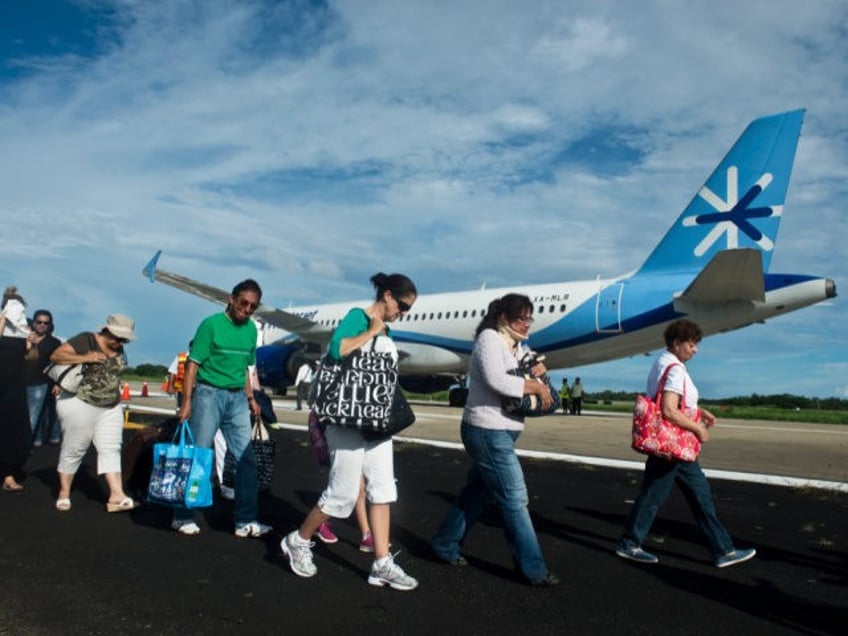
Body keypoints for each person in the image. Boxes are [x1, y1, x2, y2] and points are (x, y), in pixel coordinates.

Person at [281, 272, 419, 591]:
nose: (404, 312)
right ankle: (298, 540)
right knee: (342, 493)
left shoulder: (388, 331)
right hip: (346, 419)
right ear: (386, 295)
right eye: (402, 305)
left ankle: (382, 563)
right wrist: (371, 331)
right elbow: (335, 351)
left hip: (376, 420)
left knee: (383, 489)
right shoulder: (358, 318)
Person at [430, 293, 559, 587]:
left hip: (502, 430)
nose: (526, 324)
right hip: (487, 431)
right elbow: (496, 380)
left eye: (529, 318)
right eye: (520, 318)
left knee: (477, 493)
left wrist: (539, 369)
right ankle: (534, 570)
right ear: (503, 317)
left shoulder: (516, 345)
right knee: (515, 498)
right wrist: (534, 388)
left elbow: (524, 368)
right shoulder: (489, 338)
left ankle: (444, 544)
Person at [615, 319, 756, 568]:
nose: (695, 349)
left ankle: (723, 549)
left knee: (695, 496)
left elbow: (671, 403)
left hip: (674, 446)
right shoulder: (676, 369)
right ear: (677, 343)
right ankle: (629, 544)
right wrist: (698, 429)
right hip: (674, 446)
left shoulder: (663, 362)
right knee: (658, 496)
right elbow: (669, 410)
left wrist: (699, 411)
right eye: (691, 344)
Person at [172, 279, 270, 538]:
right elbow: (192, 365)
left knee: (246, 458)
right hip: (208, 394)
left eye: (253, 306)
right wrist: (186, 403)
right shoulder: (211, 325)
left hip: (237, 397)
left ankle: (245, 520)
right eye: (243, 303)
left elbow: (246, 368)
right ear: (231, 298)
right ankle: (183, 516)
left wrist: (251, 399)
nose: (247, 309)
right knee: (200, 455)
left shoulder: (251, 330)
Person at [52, 314, 139, 512]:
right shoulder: (86, 339)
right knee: (75, 447)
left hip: (110, 404)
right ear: (107, 330)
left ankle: (116, 494)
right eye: (117, 338)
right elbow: (56, 355)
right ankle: (64, 492)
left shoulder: (119, 348)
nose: (120, 342)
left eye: (124, 340)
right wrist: (86, 357)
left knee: (111, 447)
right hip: (80, 401)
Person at [0, 286, 32, 492]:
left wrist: (28, 339)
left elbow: (30, 355)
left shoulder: (23, 330)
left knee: (14, 430)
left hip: (16, 385)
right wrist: (2, 319)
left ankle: (8, 474)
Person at [25, 310, 61, 447]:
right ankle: (37, 439)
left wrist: (58, 383)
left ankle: (27, 445)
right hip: (21, 381)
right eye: (39, 322)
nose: (42, 325)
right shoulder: (24, 338)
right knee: (32, 415)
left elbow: (59, 364)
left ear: (50, 325)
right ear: (33, 322)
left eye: (46, 323)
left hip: (42, 383)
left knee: (34, 416)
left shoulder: (54, 342)